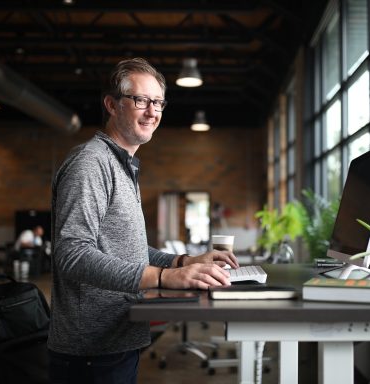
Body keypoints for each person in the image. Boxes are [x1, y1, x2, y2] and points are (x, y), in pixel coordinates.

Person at [47, 57, 239, 384]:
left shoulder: (123, 166)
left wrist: (183, 261)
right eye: (140, 100)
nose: (152, 112)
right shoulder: (91, 164)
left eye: (158, 103)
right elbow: (72, 254)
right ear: (112, 104)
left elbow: (128, 250)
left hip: (116, 340)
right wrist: (163, 277)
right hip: (90, 352)